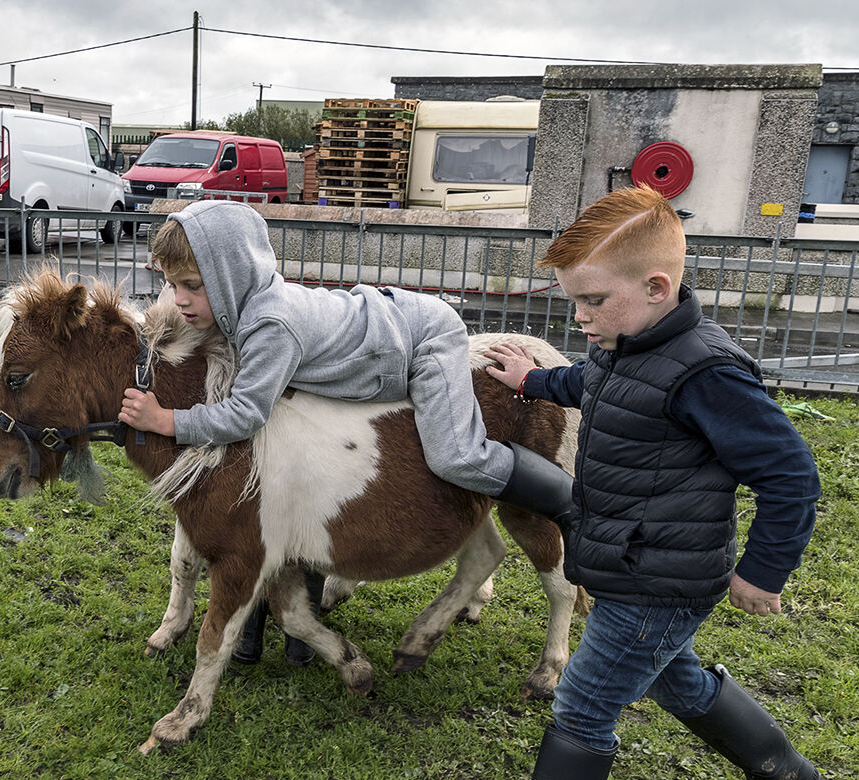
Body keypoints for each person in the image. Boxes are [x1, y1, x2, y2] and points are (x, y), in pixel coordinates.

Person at [441, 186, 824, 780]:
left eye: (590, 301)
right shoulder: (629, 343)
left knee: (583, 703)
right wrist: (534, 379)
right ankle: (782, 773)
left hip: (660, 576)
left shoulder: (708, 371)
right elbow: (595, 384)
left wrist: (763, 571)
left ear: (657, 286)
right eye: (573, 304)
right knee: (673, 678)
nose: (579, 318)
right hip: (628, 558)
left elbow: (791, 474)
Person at [116, 200, 576, 662]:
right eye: (171, 285)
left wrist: (167, 421)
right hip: (381, 342)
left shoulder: (270, 323)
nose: (178, 299)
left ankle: (560, 496)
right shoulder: (241, 310)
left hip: (423, 340)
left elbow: (245, 414)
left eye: (192, 286)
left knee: (454, 455)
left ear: (231, 274)